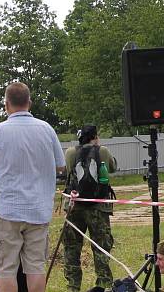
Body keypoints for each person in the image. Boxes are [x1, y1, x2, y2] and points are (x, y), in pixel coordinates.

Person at [0, 82, 66, 292]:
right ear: (29, 103)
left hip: (7, 209)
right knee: (35, 267)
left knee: (5, 268)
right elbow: (60, 165)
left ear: (6, 105)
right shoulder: (47, 130)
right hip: (38, 209)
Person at [62, 125, 118, 292]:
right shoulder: (103, 151)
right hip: (98, 207)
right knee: (101, 248)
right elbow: (113, 168)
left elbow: (68, 173)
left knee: (71, 249)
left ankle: (73, 287)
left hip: (74, 206)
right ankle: (104, 285)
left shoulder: (70, 152)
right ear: (95, 136)